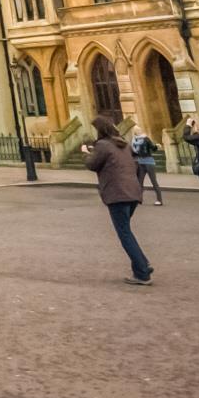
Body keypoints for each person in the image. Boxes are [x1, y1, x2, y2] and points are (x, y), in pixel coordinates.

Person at [82, 117, 152, 285]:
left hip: (117, 193)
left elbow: (92, 164)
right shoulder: (123, 144)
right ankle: (142, 265)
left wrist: (85, 152)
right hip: (133, 192)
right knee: (126, 230)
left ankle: (142, 271)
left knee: (124, 233)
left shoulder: (103, 146)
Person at [129, 126, 165, 205]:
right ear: (134, 132)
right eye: (136, 130)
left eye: (139, 130)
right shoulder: (134, 141)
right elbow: (133, 152)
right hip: (140, 162)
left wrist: (157, 146)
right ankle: (139, 199)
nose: (138, 131)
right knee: (139, 182)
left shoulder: (146, 139)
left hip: (149, 162)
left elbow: (152, 148)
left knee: (153, 181)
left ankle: (159, 200)